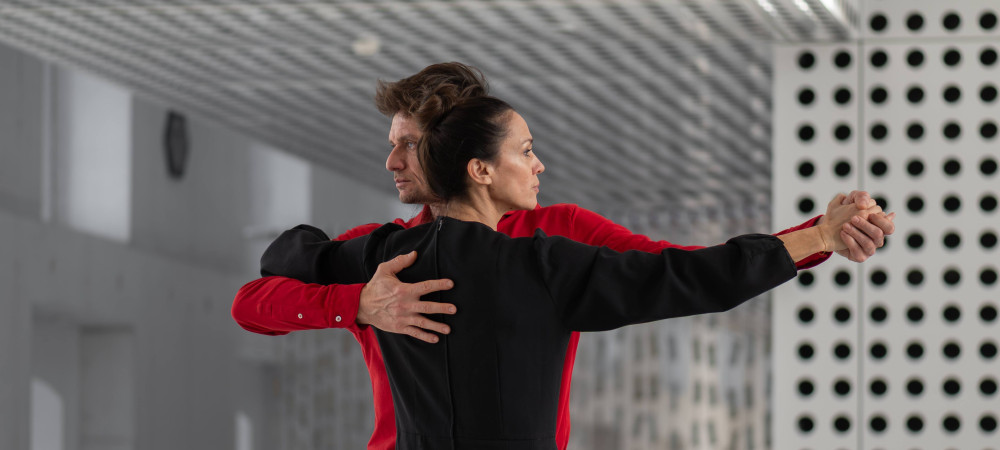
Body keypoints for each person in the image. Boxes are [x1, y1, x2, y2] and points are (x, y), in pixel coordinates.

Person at [231, 63, 896, 450]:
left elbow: (677, 265)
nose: (393, 161)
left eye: (406, 144)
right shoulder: (384, 256)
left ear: (459, 153)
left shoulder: (405, 246)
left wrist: (818, 235)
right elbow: (251, 305)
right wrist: (361, 304)